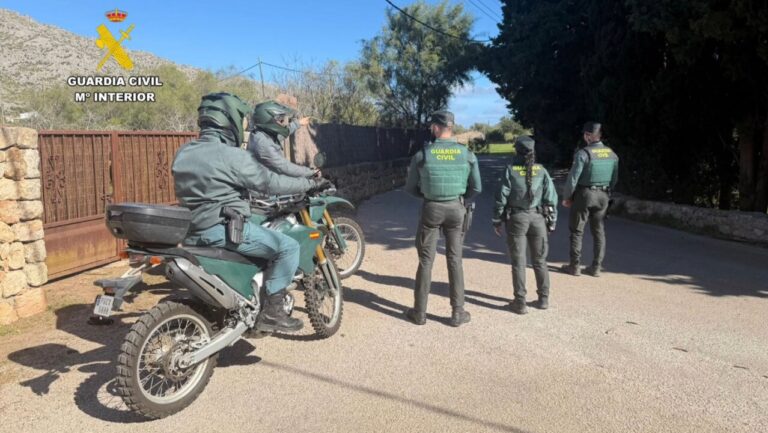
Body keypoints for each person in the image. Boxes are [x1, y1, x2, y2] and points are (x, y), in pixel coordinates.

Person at [172, 92, 329, 333]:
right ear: (230, 120)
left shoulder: (184, 152)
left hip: (192, 232)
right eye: (241, 120)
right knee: (289, 247)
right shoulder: (232, 156)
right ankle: (273, 313)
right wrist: (310, 184)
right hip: (225, 230)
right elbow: (270, 182)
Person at [403, 110, 482, 327]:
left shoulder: (423, 154)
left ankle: (419, 313)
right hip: (456, 208)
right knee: (455, 260)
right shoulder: (466, 154)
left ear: (437, 128)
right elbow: (477, 187)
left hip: (431, 209)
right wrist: (460, 200)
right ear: (451, 127)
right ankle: (457, 313)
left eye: (432, 126)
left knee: (426, 260)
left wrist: (428, 196)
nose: (430, 129)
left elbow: (410, 188)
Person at [492, 136, 558, 314]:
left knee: (519, 262)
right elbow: (551, 199)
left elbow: (501, 198)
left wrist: (497, 220)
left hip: (517, 219)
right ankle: (543, 299)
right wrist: (551, 222)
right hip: (538, 219)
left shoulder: (510, 170)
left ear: (517, 151)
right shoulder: (542, 171)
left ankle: (520, 302)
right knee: (540, 261)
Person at [560, 122, 619, 277]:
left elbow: (573, 178)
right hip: (603, 196)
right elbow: (614, 179)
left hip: (584, 195)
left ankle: (575, 266)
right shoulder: (612, 154)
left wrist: (567, 197)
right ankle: (596, 267)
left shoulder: (583, 154)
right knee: (599, 232)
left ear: (588, 135)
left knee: (577, 231)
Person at [246, 100, 318, 179]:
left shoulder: (262, 134)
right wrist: (311, 172)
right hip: (262, 189)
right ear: (268, 120)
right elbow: (285, 167)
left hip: (266, 182)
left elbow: (282, 134)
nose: (283, 123)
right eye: (281, 120)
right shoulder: (263, 144)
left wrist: (298, 123)